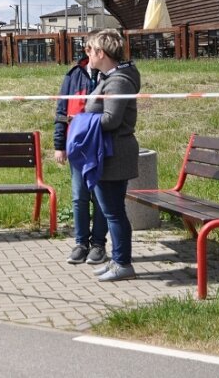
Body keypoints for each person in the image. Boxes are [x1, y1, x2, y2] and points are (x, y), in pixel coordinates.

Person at [83, 29, 141, 282]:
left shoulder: (118, 81)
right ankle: (117, 260)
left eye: (91, 51)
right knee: (111, 211)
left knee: (114, 212)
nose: (88, 55)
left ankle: (123, 264)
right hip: (107, 152)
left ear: (101, 53)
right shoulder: (109, 77)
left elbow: (110, 120)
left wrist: (82, 122)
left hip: (114, 154)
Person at [54, 34, 108, 265]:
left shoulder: (110, 76)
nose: (91, 52)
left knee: (101, 198)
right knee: (79, 198)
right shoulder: (72, 76)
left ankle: (98, 245)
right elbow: (60, 111)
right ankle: (80, 244)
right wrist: (59, 145)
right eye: (88, 48)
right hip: (77, 147)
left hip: (102, 146)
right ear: (86, 51)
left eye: (94, 48)